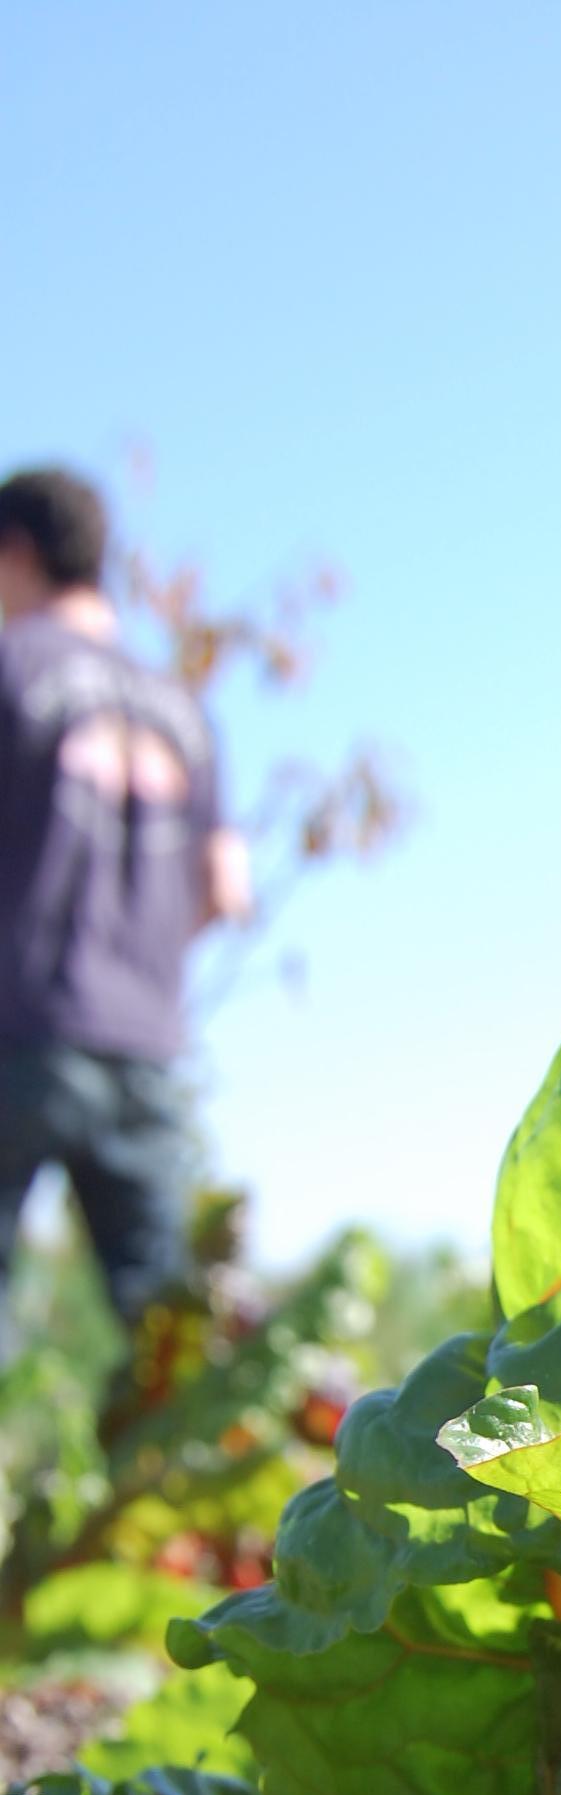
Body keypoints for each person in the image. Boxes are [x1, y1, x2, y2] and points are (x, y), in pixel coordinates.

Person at [0, 463, 251, 1356]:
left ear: (16, 551)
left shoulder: (11, 663)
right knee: (174, 1339)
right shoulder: (183, 711)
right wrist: (131, 965)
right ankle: (223, 1490)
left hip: (19, 1023)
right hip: (142, 1043)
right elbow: (227, 888)